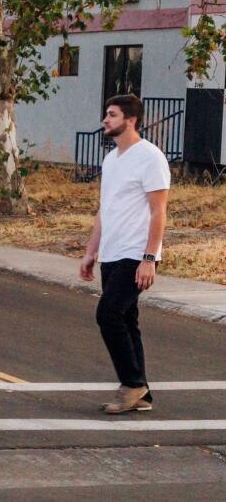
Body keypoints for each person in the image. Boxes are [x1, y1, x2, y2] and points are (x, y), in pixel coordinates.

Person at [79, 93, 170, 414]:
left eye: (112, 115)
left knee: (108, 315)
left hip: (136, 253)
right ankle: (142, 393)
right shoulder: (111, 159)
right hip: (112, 253)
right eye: (106, 114)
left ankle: (131, 384)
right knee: (127, 319)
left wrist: (149, 258)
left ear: (130, 120)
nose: (105, 120)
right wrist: (91, 252)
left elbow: (159, 212)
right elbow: (105, 209)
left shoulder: (150, 157)